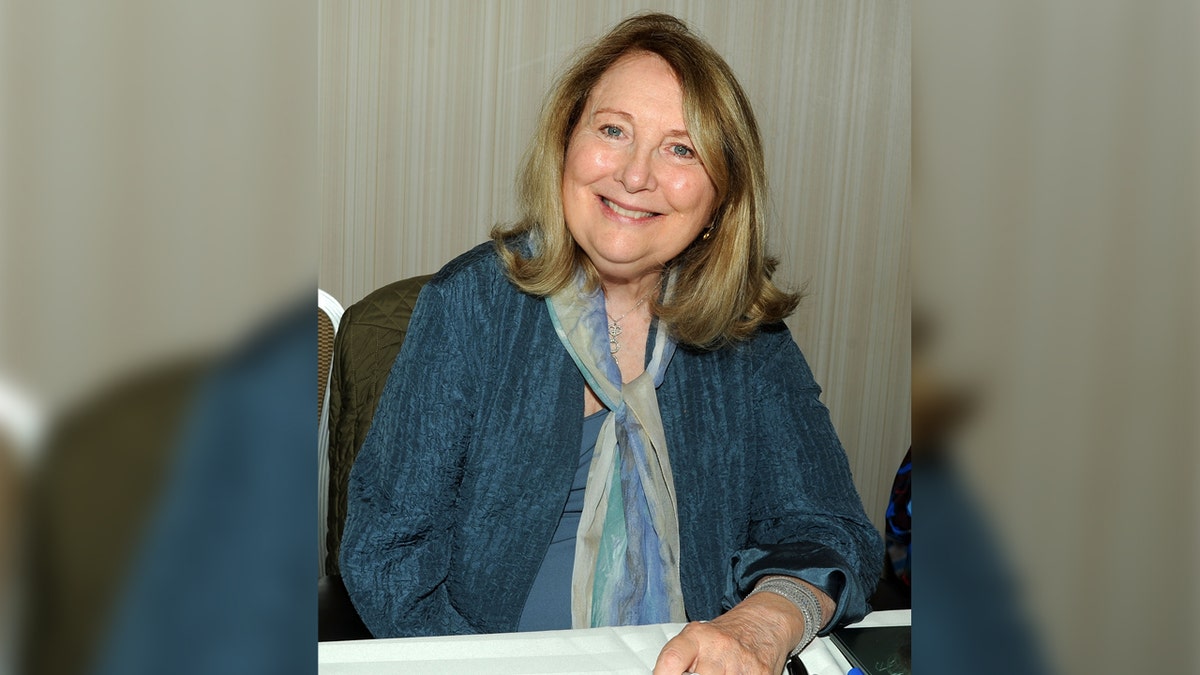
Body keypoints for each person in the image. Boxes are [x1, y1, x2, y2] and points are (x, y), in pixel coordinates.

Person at [340, 13, 882, 675]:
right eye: (613, 130)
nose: (634, 175)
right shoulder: (470, 307)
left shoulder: (746, 333)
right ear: (567, 143)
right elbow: (389, 554)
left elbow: (827, 528)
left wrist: (757, 628)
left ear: (719, 199)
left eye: (681, 149)